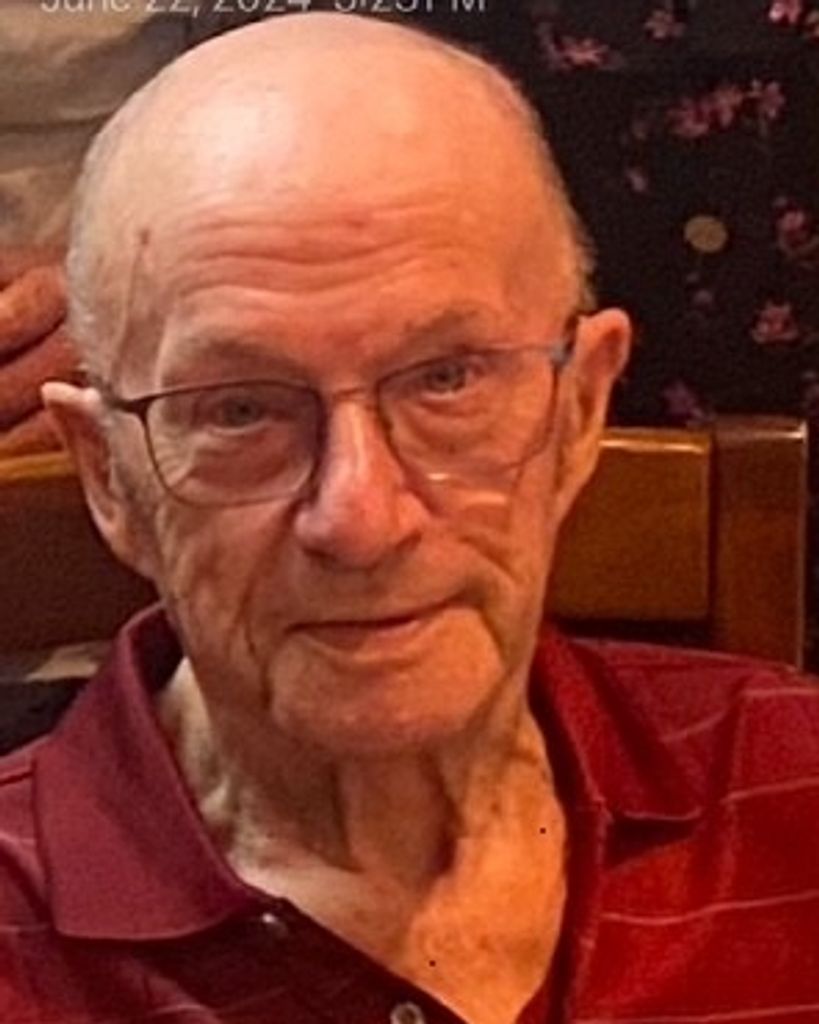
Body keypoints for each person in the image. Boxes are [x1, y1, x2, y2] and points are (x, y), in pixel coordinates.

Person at [1, 12, 818, 1024]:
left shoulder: (793, 783)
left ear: (578, 410)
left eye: (447, 380)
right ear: (109, 476)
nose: (361, 518)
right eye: (240, 410)